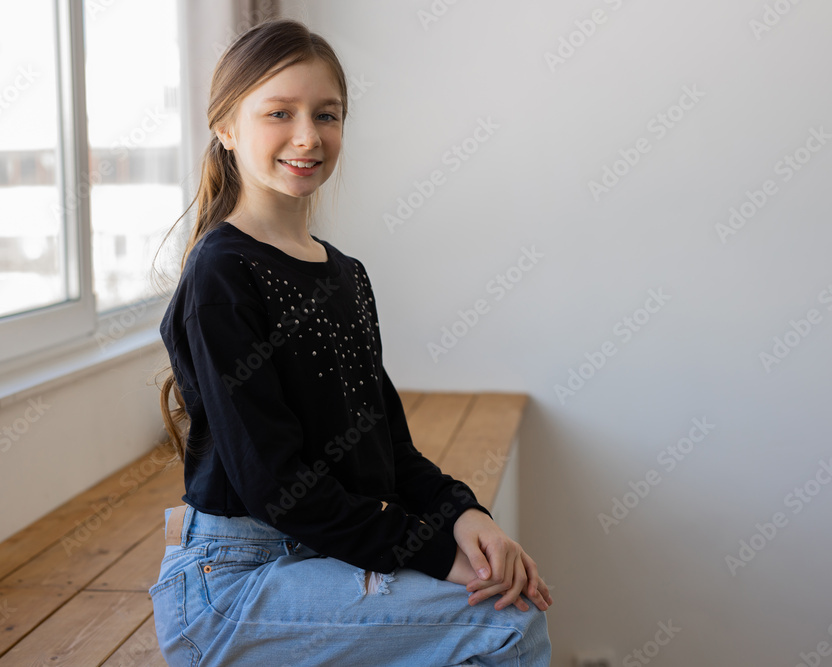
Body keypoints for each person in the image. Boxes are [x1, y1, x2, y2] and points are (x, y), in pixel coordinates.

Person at [149, 17, 553, 667]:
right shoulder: (221, 272)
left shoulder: (345, 275)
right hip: (232, 584)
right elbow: (277, 487)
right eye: (279, 112)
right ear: (225, 127)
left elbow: (388, 449)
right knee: (505, 624)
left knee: (504, 604)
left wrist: (463, 515)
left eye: (327, 114)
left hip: (321, 555)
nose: (307, 136)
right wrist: (434, 550)